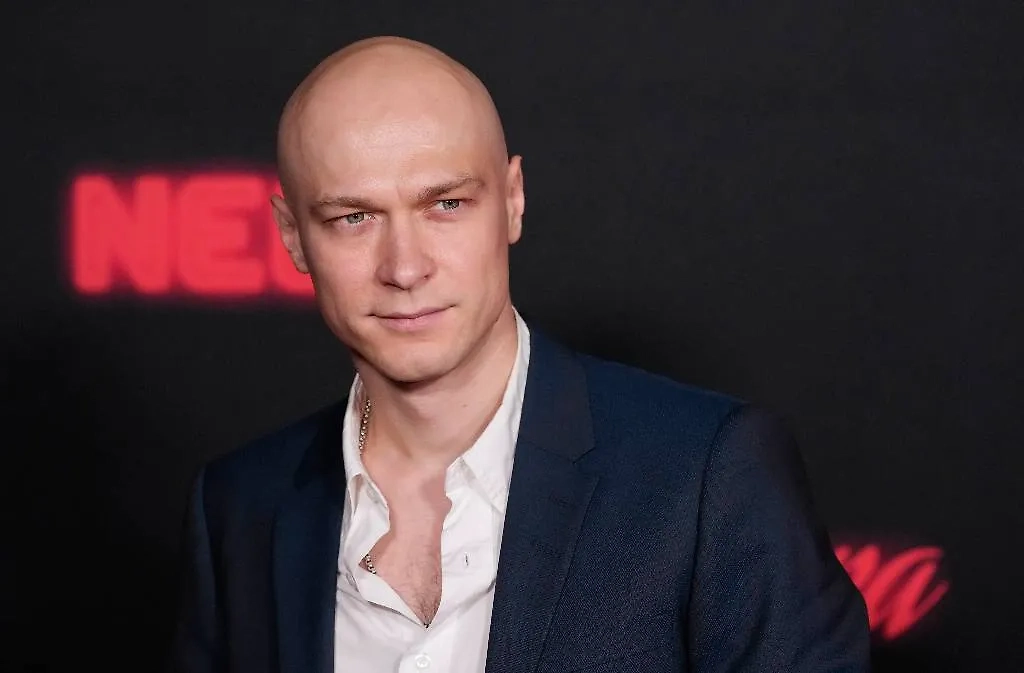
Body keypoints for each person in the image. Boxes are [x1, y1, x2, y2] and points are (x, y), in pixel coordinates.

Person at [169, 35, 870, 673]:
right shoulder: (241, 505)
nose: (405, 267)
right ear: (293, 236)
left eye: (446, 204)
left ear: (512, 199)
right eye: (353, 218)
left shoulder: (708, 474)